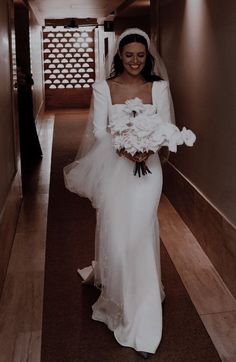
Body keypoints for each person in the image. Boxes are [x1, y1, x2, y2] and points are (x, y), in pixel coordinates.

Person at [64, 28, 175, 359]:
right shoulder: (103, 87)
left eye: (141, 55)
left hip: (149, 170)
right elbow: (99, 130)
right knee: (119, 237)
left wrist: (147, 146)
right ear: (118, 57)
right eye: (129, 55)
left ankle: (142, 314)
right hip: (117, 169)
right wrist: (125, 148)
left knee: (139, 235)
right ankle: (122, 299)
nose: (135, 61)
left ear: (148, 57)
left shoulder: (159, 87)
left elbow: (167, 128)